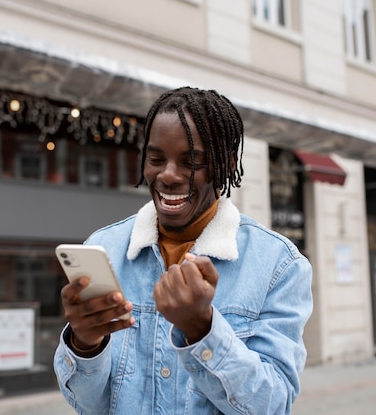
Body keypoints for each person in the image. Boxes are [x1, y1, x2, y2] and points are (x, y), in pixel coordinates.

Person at [54, 86, 313, 414]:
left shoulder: (279, 265)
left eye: (191, 161)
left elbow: (272, 404)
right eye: (156, 159)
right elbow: (87, 405)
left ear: (226, 164)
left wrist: (202, 329)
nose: (168, 175)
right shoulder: (103, 249)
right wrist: (84, 344)